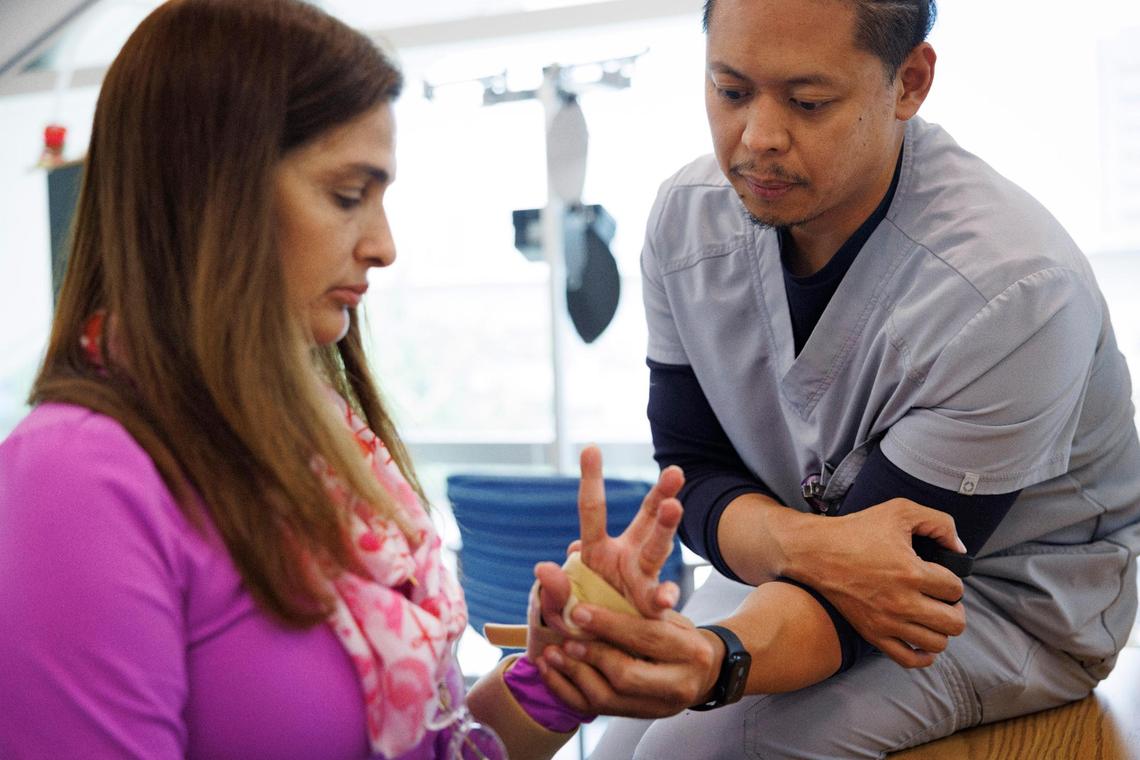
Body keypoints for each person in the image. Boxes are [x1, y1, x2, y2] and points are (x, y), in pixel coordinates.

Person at [0, 1, 687, 758]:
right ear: (210, 192)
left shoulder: (323, 446)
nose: (385, 246)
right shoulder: (78, 476)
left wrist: (557, 673)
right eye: (347, 195)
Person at [531, 1, 1140, 757]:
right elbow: (694, 471)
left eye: (808, 101)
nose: (757, 139)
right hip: (787, 556)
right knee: (617, 737)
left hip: (992, 603)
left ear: (909, 82)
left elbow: (890, 590)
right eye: (730, 91)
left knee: (684, 751)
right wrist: (805, 546)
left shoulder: (1013, 287)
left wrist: (720, 661)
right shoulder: (686, 222)